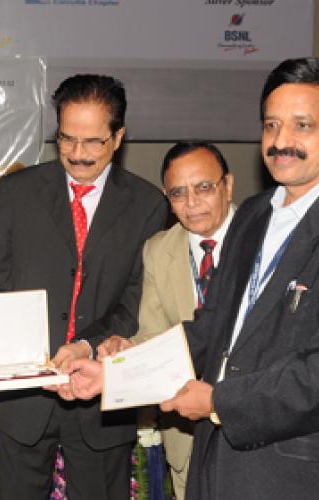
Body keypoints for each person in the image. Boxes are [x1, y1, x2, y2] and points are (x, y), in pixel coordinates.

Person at [63, 57, 319, 500]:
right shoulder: (252, 215)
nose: (280, 141)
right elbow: (211, 330)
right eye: (271, 126)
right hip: (217, 460)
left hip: (299, 472)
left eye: (301, 126)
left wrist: (217, 403)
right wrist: (114, 374)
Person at [0, 74, 168, 499]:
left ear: (118, 137)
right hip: (24, 399)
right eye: (67, 139)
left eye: (93, 142)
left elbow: (136, 301)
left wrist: (86, 344)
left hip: (100, 397)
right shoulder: (18, 190)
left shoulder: (148, 204)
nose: (78, 155)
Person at [100, 141, 235, 500]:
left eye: (204, 188)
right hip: (186, 430)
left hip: (252, 425)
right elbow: (153, 336)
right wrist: (124, 353)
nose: (191, 203)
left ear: (228, 185)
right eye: (178, 193)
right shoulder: (158, 250)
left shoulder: (263, 238)